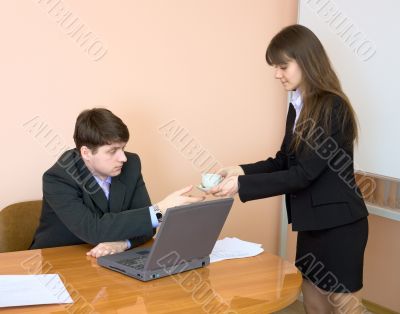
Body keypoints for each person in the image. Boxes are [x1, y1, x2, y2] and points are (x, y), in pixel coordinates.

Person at [207, 24, 369, 314]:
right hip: (310, 224)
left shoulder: (332, 107)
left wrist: (241, 187)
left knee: (346, 308)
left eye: (283, 66)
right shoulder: (298, 105)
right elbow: (285, 160)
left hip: (340, 225)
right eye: (275, 67)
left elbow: (303, 174)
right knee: (314, 303)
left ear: (307, 61)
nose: (276, 74)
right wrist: (240, 171)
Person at [31, 108, 204, 257]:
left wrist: (124, 243)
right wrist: (159, 211)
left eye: (123, 148)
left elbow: (147, 227)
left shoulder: (131, 164)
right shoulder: (58, 178)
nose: (122, 158)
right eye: (112, 150)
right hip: (58, 263)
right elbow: (94, 230)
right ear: (86, 153)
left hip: (107, 260)